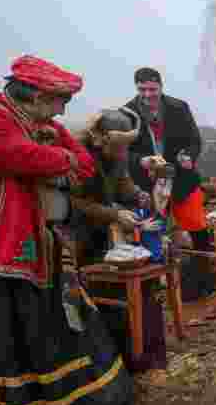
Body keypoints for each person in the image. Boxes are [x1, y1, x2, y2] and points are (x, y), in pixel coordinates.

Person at [0, 56, 133, 405]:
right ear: (37, 97)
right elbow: (27, 159)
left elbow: (82, 166)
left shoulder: (43, 126)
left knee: (61, 322)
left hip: (44, 241)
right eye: (59, 102)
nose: (62, 113)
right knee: (15, 334)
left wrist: (57, 157)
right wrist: (58, 158)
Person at [69, 108, 170, 376]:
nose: (124, 153)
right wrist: (114, 214)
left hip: (105, 232)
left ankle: (137, 355)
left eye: (127, 147)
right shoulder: (79, 157)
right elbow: (75, 202)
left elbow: (123, 182)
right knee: (94, 293)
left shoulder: (117, 156)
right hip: (77, 233)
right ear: (100, 139)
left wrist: (138, 195)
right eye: (119, 147)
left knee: (129, 289)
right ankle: (103, 361)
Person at [124, 67, 216, 295]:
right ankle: (153, 287)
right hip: (148, 184)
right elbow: (123, 153)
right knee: (151, 233)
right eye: (142, 89)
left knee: (197, 230)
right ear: (136, 89)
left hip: (183, 180)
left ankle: (203, 283)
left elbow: (195, 141)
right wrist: (141, 161)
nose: (147, 95)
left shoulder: (179, 108)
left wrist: (188, 156)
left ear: (161, 87)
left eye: (152, 89)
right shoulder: (127, 114)